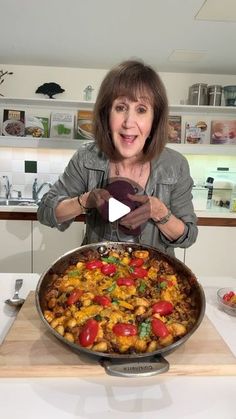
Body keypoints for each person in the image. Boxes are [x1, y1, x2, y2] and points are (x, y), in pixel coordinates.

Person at [37, 59, 198, 257]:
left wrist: (159, 212)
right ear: (106, 114)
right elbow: (45, 212)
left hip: (155, 275)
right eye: (120, 107)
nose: (129, 122)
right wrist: (85, 200)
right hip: (95, 275)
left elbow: (188, 236)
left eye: (141, 109)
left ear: (155, 120)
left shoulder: (176, 165)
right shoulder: (86, 158)